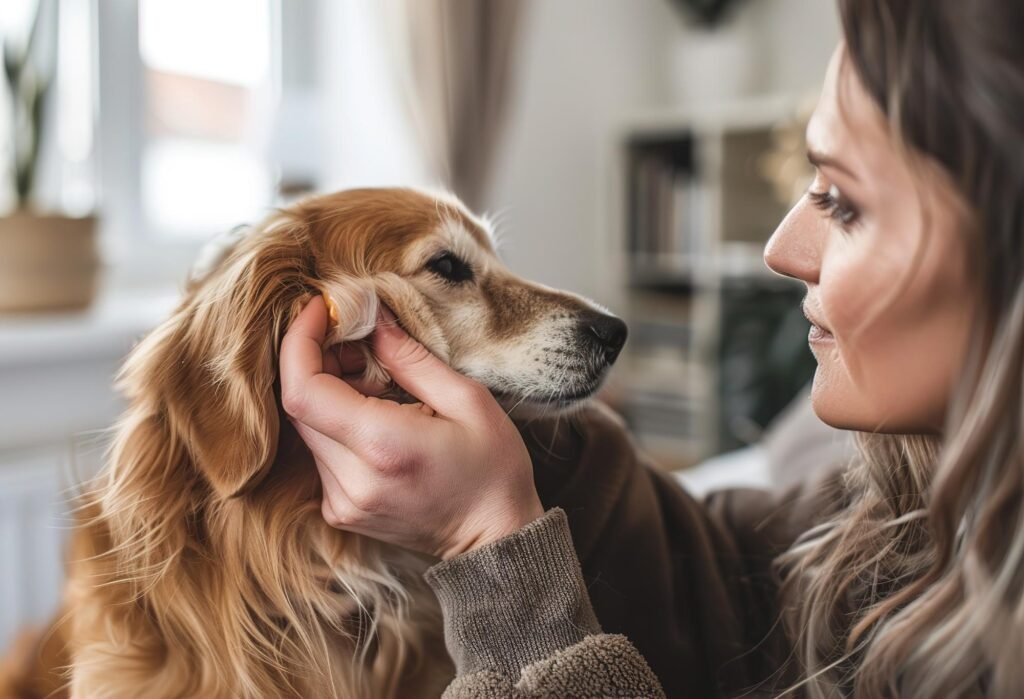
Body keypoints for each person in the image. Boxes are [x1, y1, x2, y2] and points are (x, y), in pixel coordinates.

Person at [279, 0, 1024, 696]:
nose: (780, 249)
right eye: (809, 184)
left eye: (844, 201)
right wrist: (510, 449)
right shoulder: (908, 506)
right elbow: (751, 582)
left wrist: (488, 541)